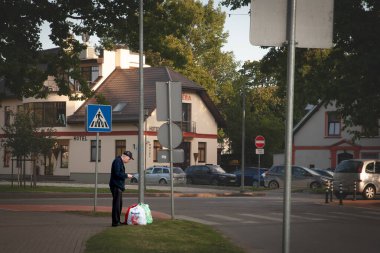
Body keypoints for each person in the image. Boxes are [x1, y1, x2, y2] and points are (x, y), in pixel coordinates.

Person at [109, 150, 134, 226]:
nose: (129, 161)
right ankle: (115, 222)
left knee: (119, 204)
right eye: (129, 159)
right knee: (117, 204)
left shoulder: (119, 161)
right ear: (125, 156)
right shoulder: (117, 161)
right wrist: (126, 175)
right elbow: (117, 173)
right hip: (116, 185)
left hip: (118, 186)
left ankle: (117, 221)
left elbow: (118, 173)